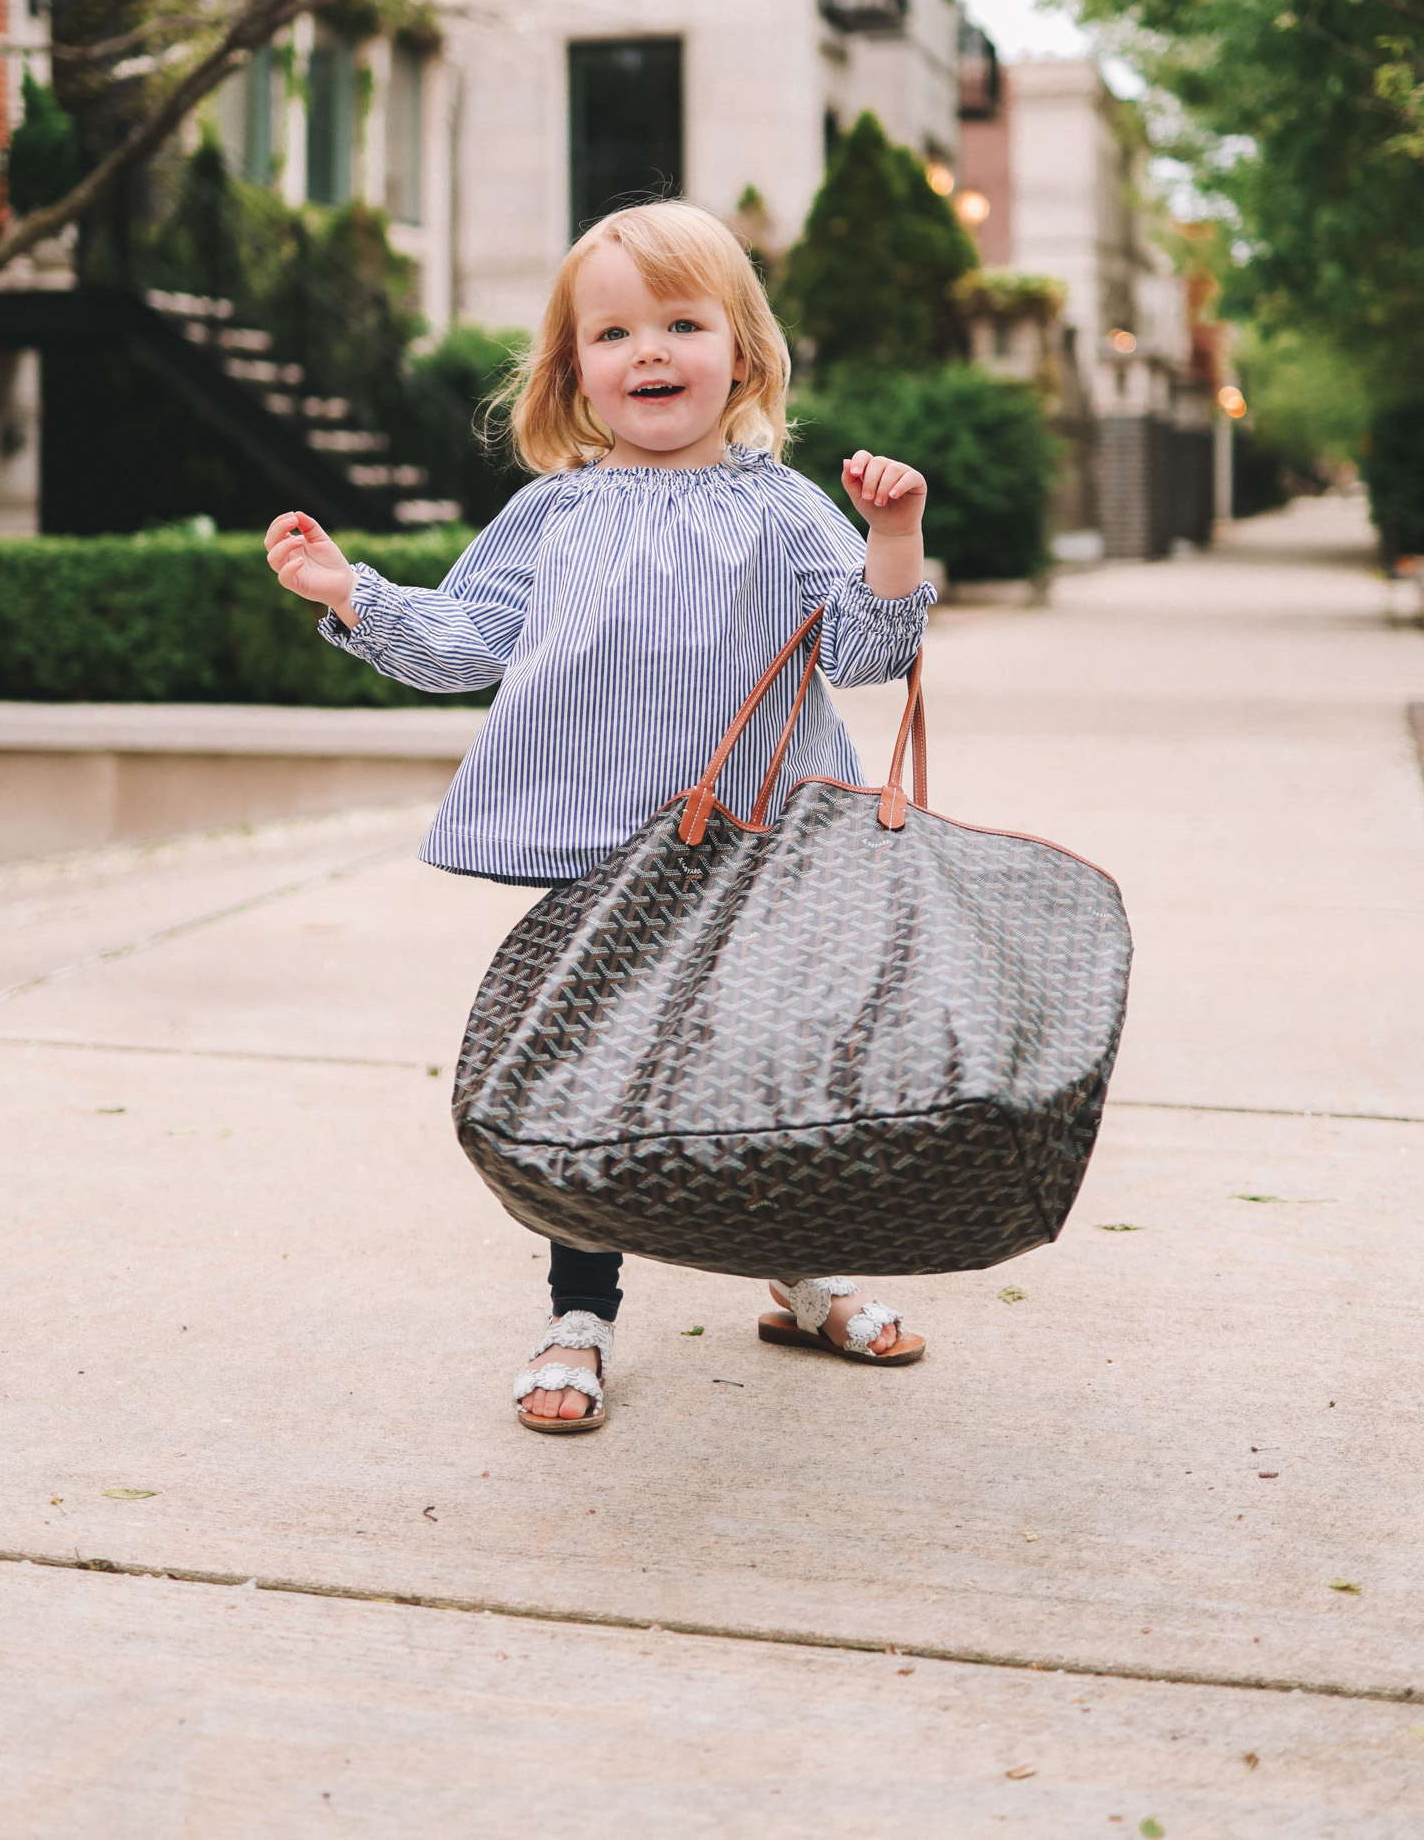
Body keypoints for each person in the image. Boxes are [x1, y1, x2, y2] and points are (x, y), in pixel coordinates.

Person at [265, 199, 936, 1434]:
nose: (650, 353)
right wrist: (349, 593)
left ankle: (797, 1272)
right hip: (591, 855)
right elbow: (465, 640)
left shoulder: (780, 508)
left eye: (683, 322)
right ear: (574, 369)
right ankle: (580, 1310)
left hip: (756, 850)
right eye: (614, 331)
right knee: (591, 1082)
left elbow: (863, 645)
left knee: (770, 1071)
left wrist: (892, 538)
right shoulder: (553, 514)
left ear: (743, 352)